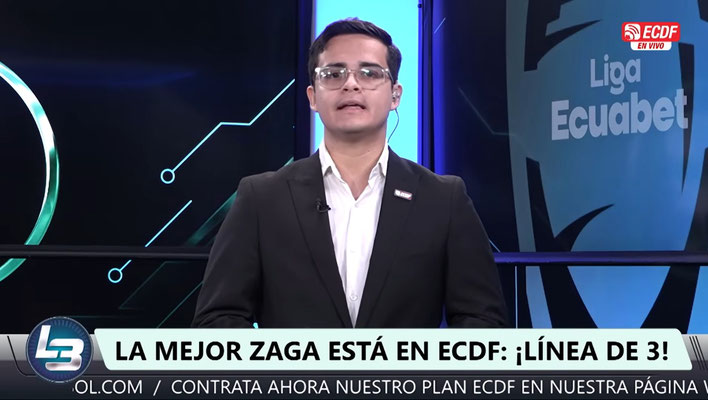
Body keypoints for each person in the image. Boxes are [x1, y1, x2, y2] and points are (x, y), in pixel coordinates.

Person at [192, 18, 508, 328]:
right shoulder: (261, 198)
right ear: (313, 97)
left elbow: (482, 320)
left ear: (395, 95)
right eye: (333, 74)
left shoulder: (443, 199)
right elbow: (217, 318)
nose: (351, 84)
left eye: (370, 73)